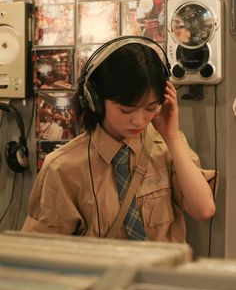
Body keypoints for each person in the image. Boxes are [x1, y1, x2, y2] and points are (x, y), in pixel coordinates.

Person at [22, 36, 216, 241]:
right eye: (126, 110)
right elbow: (44, 251)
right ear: (94, 99)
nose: (139, 120)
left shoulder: (167, 147)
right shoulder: (62, 168)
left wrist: (172, 136)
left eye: (151, 108)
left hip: (161, 273)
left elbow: (203, 209)